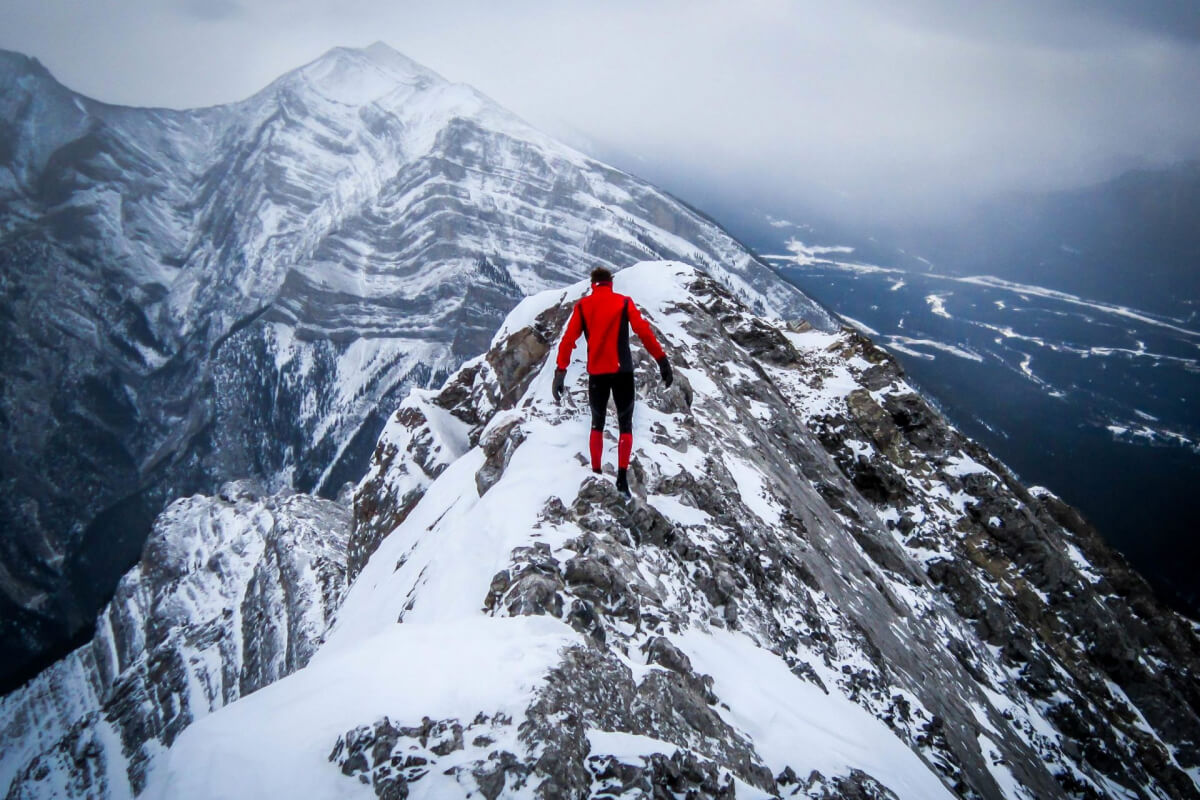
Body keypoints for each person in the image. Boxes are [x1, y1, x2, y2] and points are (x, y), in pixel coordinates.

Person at [552, 266, 672, 496]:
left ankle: (596, 472)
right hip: (623, 372)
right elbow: (644, 332)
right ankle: (621, 479)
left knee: (597, 424)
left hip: (597, 373)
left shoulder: (583, 307)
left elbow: (568, 340)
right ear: (610, 284)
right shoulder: (624, 302)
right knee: (625, 425)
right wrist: (662, 360)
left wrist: (560, 371)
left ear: (592, 284)